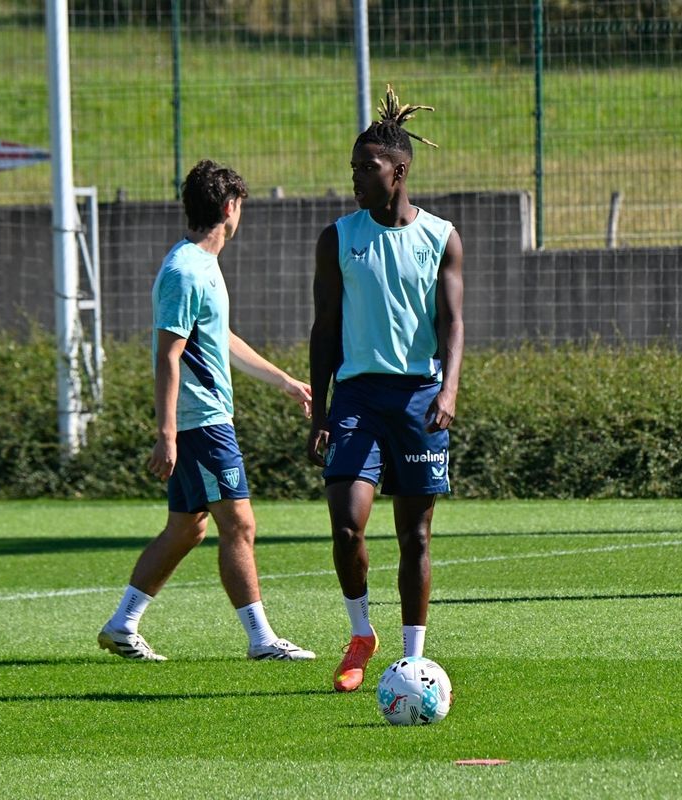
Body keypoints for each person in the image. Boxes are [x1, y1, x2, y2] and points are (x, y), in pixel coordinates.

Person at [98, 159, 316, 662]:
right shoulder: (183, 270)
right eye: (240, 206)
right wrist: (167, 433)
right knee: (238, 525)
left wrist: (282, 382)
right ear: (229, 207)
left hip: (203, 421)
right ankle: (262, 640)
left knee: (187, 527)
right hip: (201, 424)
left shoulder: (203, 266)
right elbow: (168, 354)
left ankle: (123, 624)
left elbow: (221, 339)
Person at [307, 85, 465, 692]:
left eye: (366, 167)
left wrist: (448, 391)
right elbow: (324, 328)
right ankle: (360, 632)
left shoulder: (441, 237)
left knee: (414, 534)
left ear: (398, 172)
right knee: (347, 523)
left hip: (420, 398)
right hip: (355, 399)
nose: (355, 177)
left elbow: (452, 323)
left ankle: (414, 658)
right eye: (352, 167)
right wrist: (320, 407)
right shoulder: (337, 239)